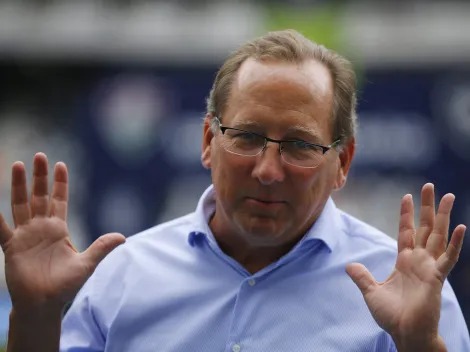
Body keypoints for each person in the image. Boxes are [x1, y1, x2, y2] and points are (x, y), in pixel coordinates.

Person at [1, 30, 469, 352]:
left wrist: (418, 346)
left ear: (342, 163)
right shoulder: (122, 278)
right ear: (209, 142)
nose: (268, 170)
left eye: (300, 145)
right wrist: (36, 314)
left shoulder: (405, 297)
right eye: (246, 137)